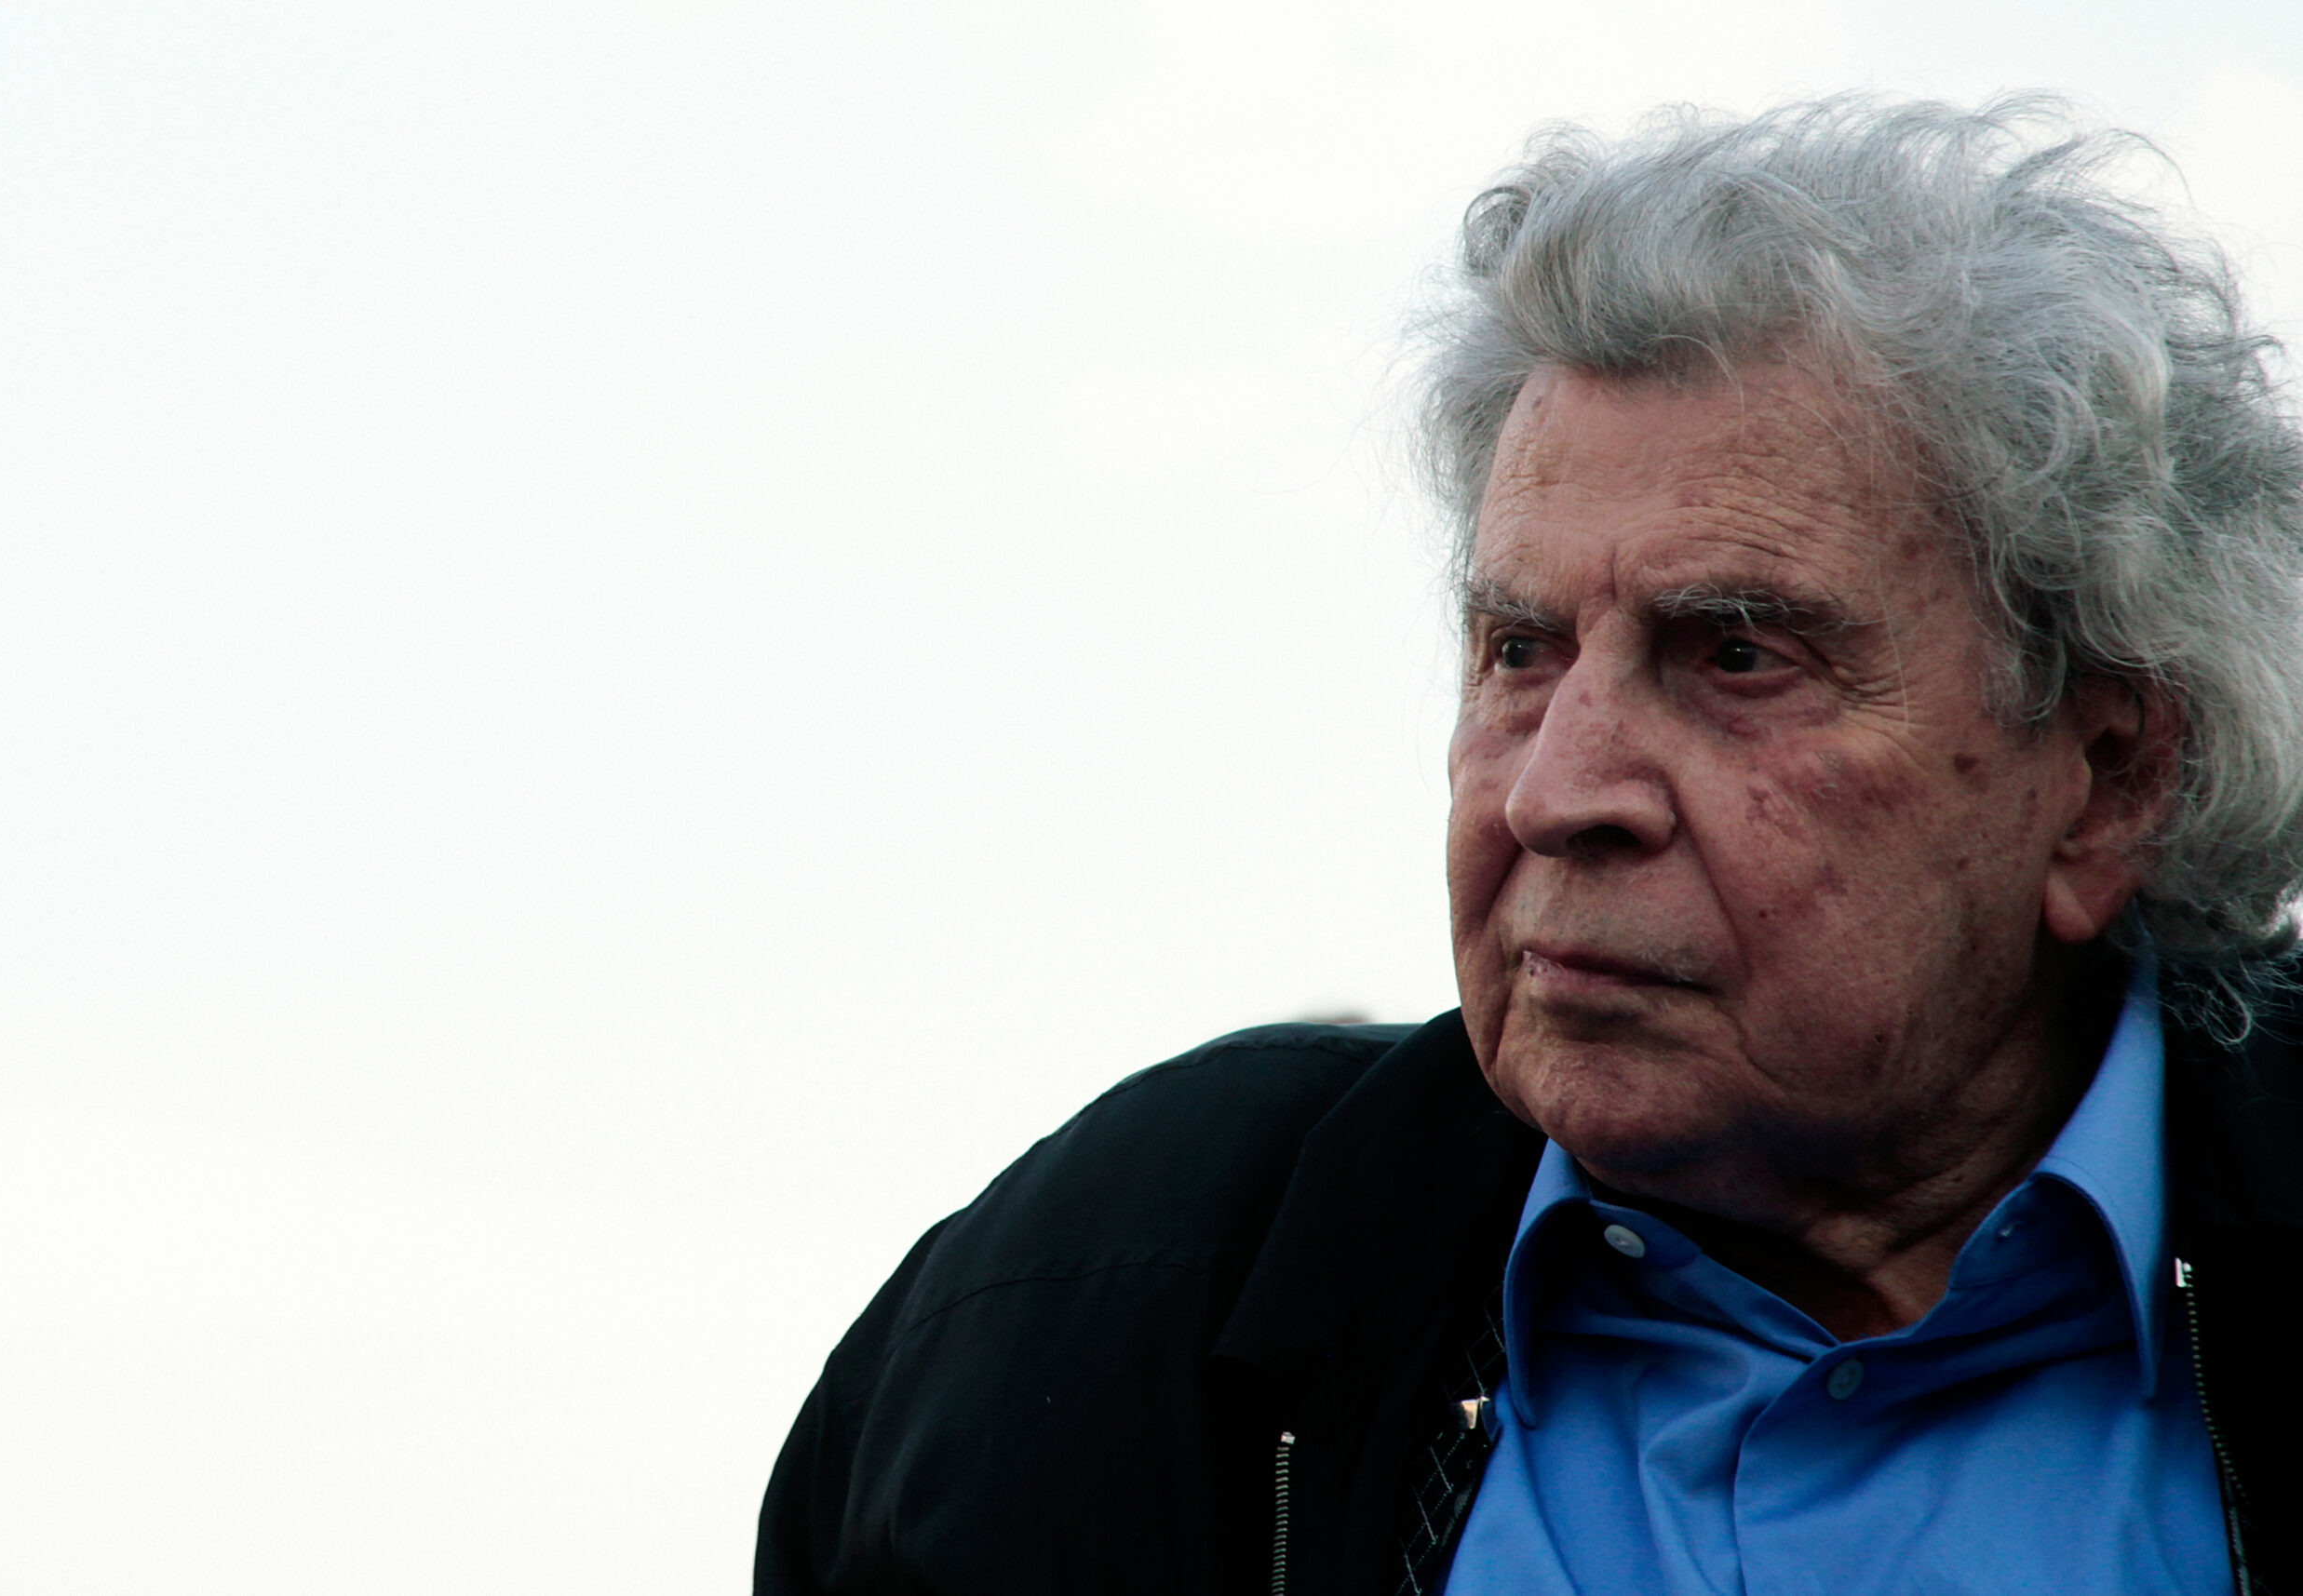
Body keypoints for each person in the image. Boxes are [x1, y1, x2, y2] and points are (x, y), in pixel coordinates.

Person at [755, 97, 2303, 1596]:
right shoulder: (1096, 1321)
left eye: (1738, 656)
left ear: (2109, 779)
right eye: (1517, 650)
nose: (1553, 794)